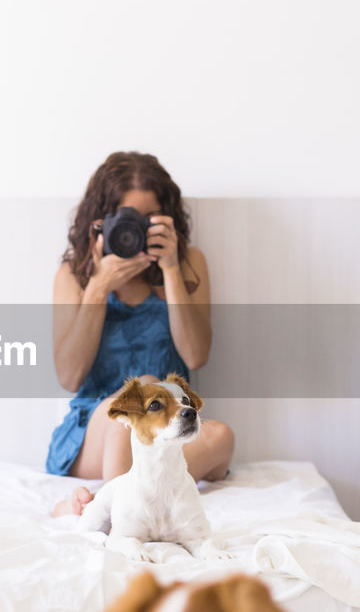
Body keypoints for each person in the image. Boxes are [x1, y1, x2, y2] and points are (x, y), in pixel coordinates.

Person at [48, 151, 235, 517]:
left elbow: (196, 355)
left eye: (148, 221)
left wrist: (169, 270)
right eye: (125, 220)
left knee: (222, 437)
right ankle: (119, 514)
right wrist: (99, 288)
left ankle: (101, 505)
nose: (135, 230)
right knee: (144, 389)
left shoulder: (187, 264)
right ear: (100, 222)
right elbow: (69, 376)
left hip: (167, 426)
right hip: (97, 428)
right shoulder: (75, 275)